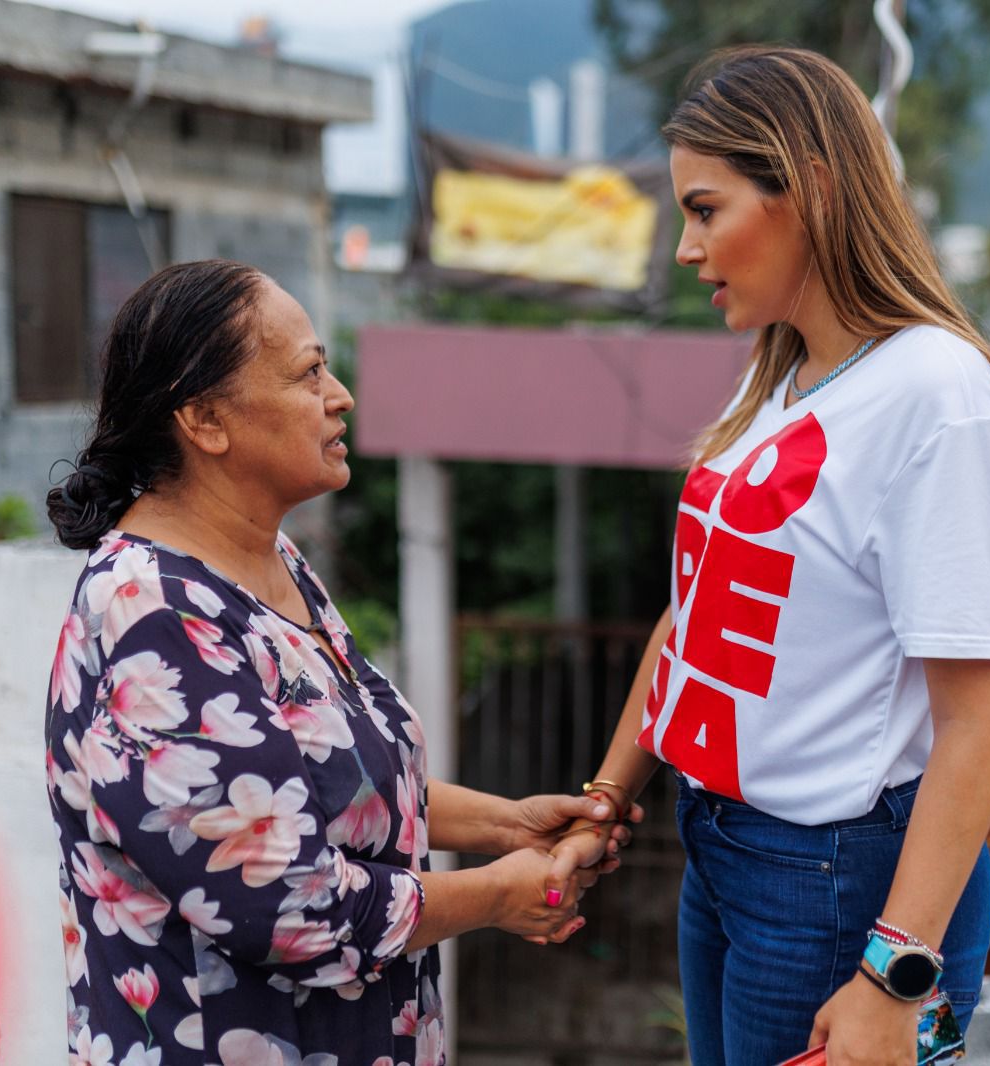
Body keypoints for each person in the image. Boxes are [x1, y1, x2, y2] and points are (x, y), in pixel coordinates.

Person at [549, 46, 990, 1066]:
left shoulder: (938, 400)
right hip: (721, 846)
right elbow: (693, 615)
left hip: (839, 877)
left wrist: (893, 974)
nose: (686, 248)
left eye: (704, 208)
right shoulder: (777, 376)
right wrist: (609, 793)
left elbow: (979, 718)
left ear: (809, 189)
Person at [44, 259, 635, 1066]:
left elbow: (331, 782)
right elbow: (289, 903)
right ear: (206, 420)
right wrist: (500, 894)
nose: (339, 394)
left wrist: (508, 823)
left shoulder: (269, 559)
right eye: (308, 372)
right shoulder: (152, 612)